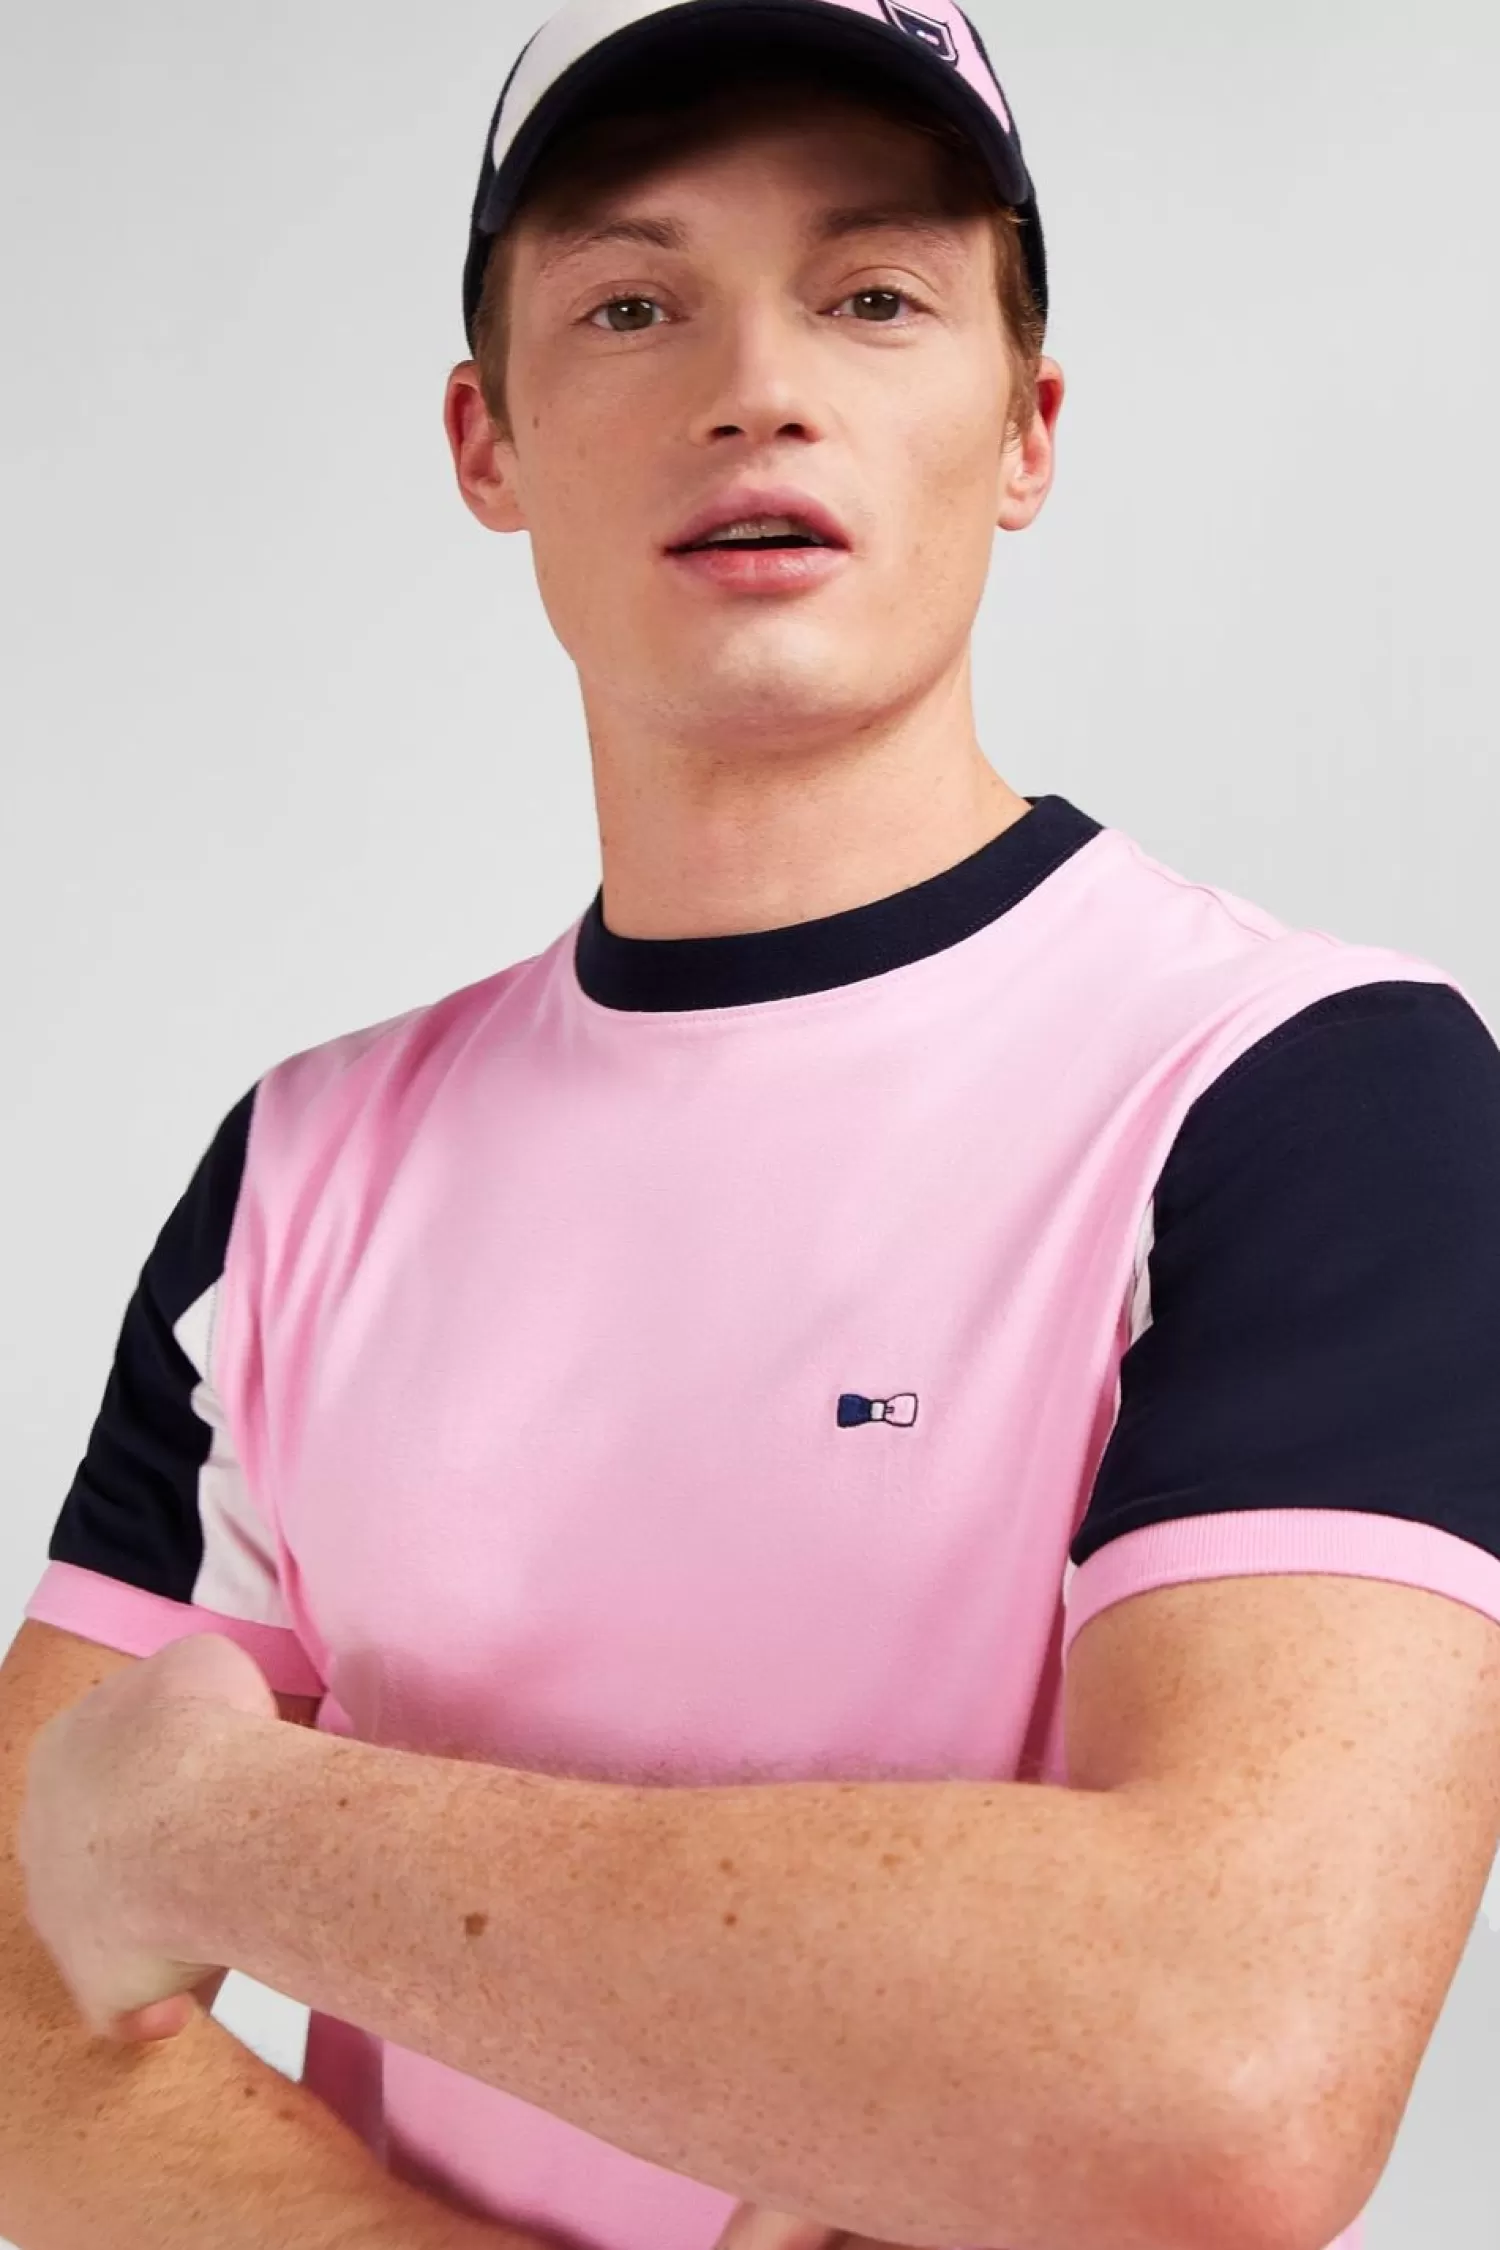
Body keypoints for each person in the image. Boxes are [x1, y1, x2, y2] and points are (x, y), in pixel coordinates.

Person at [7, 4, 1500, 2250]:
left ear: (1028, 427)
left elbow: (1221, 2076)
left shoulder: (1307, 1089)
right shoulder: (299, 1171)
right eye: (633, 305)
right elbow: (13, 2013)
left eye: (875, 298)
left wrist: (208, 1831)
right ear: (487, 440)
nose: (758, 388)